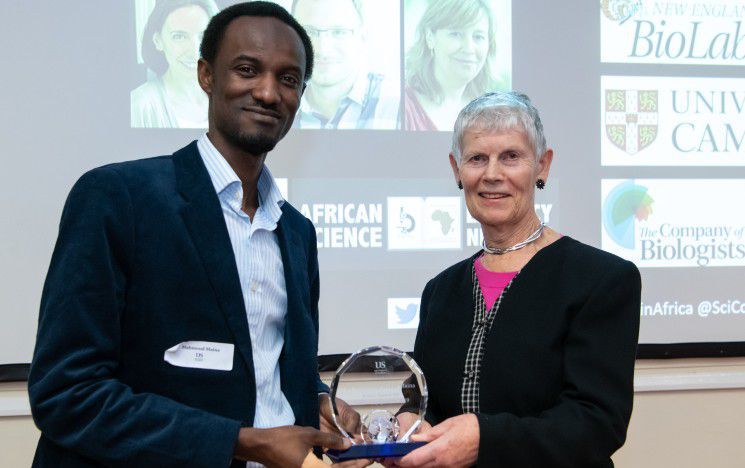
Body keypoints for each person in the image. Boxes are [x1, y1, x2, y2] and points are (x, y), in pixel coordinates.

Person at [30, 3, 367, 467]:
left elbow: (263, 369)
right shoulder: (118, 198)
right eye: (247, 70)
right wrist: (240, 441)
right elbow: (67, 393)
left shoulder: (297, 233)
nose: (269, 92)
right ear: (206, 75)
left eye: (288, 79)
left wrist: (319, 402)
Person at [390, 92, 641, 467]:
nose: (492, 174)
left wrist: (485, 440)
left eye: (511, 156)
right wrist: (408, 419)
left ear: (542, 166)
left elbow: (598, 423)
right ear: (457, 170)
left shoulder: (602, 280)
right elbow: (422, 398)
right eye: (477, 158)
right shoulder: (440, 291)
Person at [291, 0, 399, 129]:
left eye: (338, 32)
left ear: (362, 36)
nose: (323, 49)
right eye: (309, 31)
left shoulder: (398, 104)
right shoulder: (277, 104)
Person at [404, 0, 509, 131]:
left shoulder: (493, 115)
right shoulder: (403, 106)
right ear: (430, 37)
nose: (469, 48)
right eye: (456, 34)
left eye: (478, 37)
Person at [131, 0, 219, 128]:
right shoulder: (138, 106)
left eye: (203, 36)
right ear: (158, 41)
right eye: (179, 37)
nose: (194, 52)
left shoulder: (231, 101)